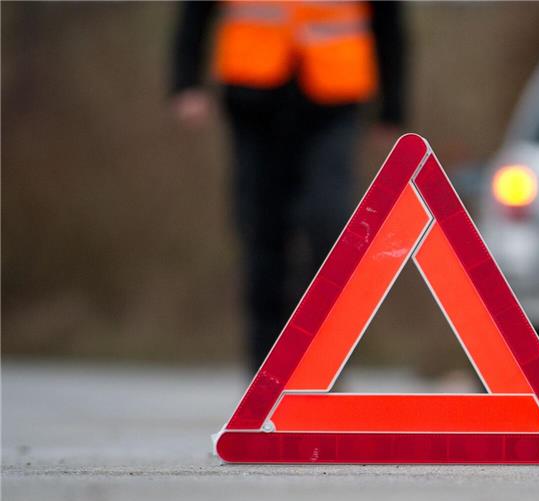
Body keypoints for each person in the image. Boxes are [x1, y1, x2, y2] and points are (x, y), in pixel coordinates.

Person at [170, 1, 406, 372]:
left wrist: (393, 107)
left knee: (330, 226)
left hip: (334, 99)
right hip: (253, 97)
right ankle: (263, 371)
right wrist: (186, 81)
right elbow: (195, 9)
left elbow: (389, 18)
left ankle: (322, 364)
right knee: (261, 234)